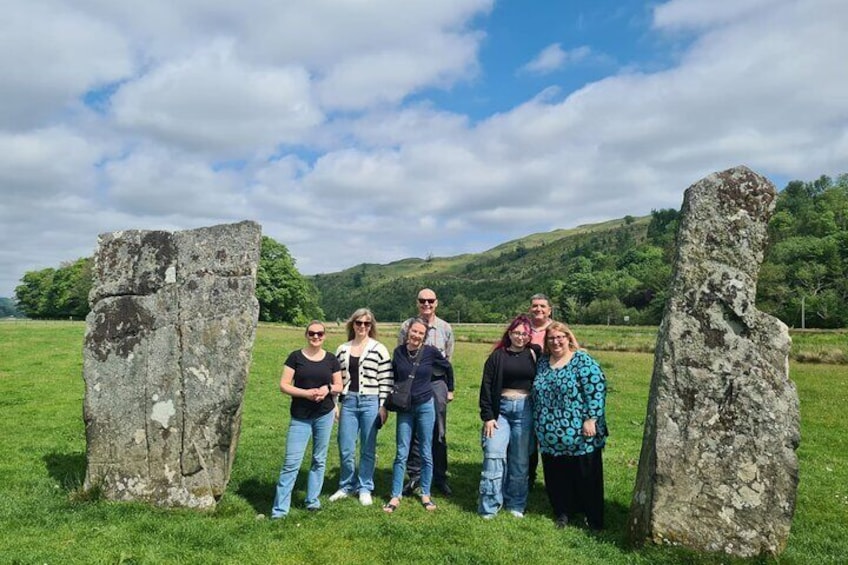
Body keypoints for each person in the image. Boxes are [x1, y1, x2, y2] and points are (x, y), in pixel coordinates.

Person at [532, 322, 608, 530]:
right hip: (549, 434)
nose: (555, 342)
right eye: (551, 338)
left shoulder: (582, 361)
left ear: (568, 338)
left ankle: (593, 518)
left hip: (579, 433)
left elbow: (596, 390)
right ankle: (562, 512)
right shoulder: (543, 363)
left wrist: (591, 419)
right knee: (557, 477)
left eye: (559, 337)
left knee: (586, 476)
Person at [381, 318, 454, 513]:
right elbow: (393, 377)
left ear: (425, 336)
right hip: (405, 407)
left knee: (425, 451)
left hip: (425, 404)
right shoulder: (398, 352)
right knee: (401, 452)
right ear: (408, 332)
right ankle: (395, 496)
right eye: (414, 332)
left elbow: (447, 367)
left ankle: (426, 494)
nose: (416, 336)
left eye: (421, 333)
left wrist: (450, 390)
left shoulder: (431, 352)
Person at [271, 321, 342, 518]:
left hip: (324, 414)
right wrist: (306, 393)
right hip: (300, 416)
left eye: (320, 334)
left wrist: (326, 389)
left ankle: (313, 501)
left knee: (319, 460)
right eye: (312, 333)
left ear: (325, 336)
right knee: (291, 462)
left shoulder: (331, 359)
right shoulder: (295, 357)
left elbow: (339, 385)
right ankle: (279, 510)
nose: (316, 337)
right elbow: (284, 385)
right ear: (306, 335)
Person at [477, 314, 541, 519]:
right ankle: (489, 505)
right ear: (509, 333)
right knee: (493, 455)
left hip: (525, 410)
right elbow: (486, 386)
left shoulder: (534, 354)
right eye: (516, 333)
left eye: (524, 333)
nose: (520, 337)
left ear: (529, 336)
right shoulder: (497, 356)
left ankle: (516, 503)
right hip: (500, 412)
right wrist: (488, 416)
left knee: (520, 460)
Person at [328, 308, 393, 506]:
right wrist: (334, 404)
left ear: (371, 326)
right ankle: (346, 485)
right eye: (359, 323)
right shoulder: (342, 349)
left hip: (371, 401)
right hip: (348, 401)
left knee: (367, 447)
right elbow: (336, 379)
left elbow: (386, 380)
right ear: (352, 325)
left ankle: (365, 486)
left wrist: (383, 406)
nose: (362, 327)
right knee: (346, 446)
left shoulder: (379, 348)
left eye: (367, 323)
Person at [397, 288, 455, 496]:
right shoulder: (406, 326)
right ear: (417, 302)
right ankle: (415, 476)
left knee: (438, 429)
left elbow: (448, 360)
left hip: (436, 382)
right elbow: (401, 355)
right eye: (423, 300)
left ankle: (439, 476)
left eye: (430, 300)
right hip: (414, 383)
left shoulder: (445, 328)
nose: (426, 304)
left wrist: (449, 388)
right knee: (413, 430)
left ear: (436, 303)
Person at [527, 293, 553, 487]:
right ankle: (528, 475)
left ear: (549, 310)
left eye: (542, 306)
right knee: (528, 436)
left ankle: (554, 476)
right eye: (535, 306)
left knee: (547, 432)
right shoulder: (524, 329)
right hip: (526, 387)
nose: (539, 309)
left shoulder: (555, 329)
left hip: (550, 389)